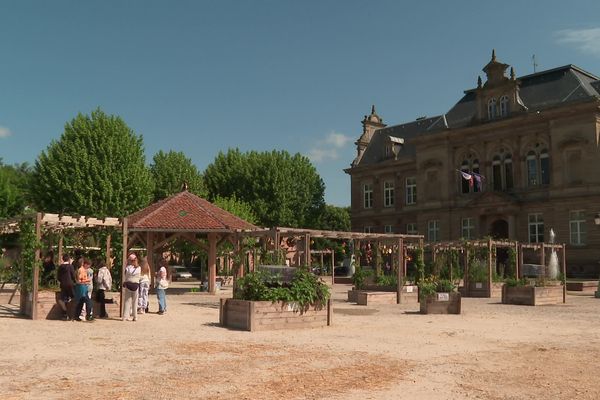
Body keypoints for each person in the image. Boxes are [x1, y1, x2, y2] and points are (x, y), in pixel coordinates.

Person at [56, 254, 76, 320]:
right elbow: (73, 275)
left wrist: (62, 281)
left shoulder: (60, 267)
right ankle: (72, 314)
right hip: (70, 284)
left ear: (63, 259)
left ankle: (64, 313)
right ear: (69, 259)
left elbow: (58, 277)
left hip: (63, 284)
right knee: (73, 298)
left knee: (62, 299)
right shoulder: (70, 266)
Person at [123, 253, 141, 321]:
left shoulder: (127, 268)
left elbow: (125, 275)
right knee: (135, 302)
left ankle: (125, 316)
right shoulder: (139, 268)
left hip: (128, 284)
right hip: (135, 285)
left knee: (127, 301)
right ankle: (135, 316)